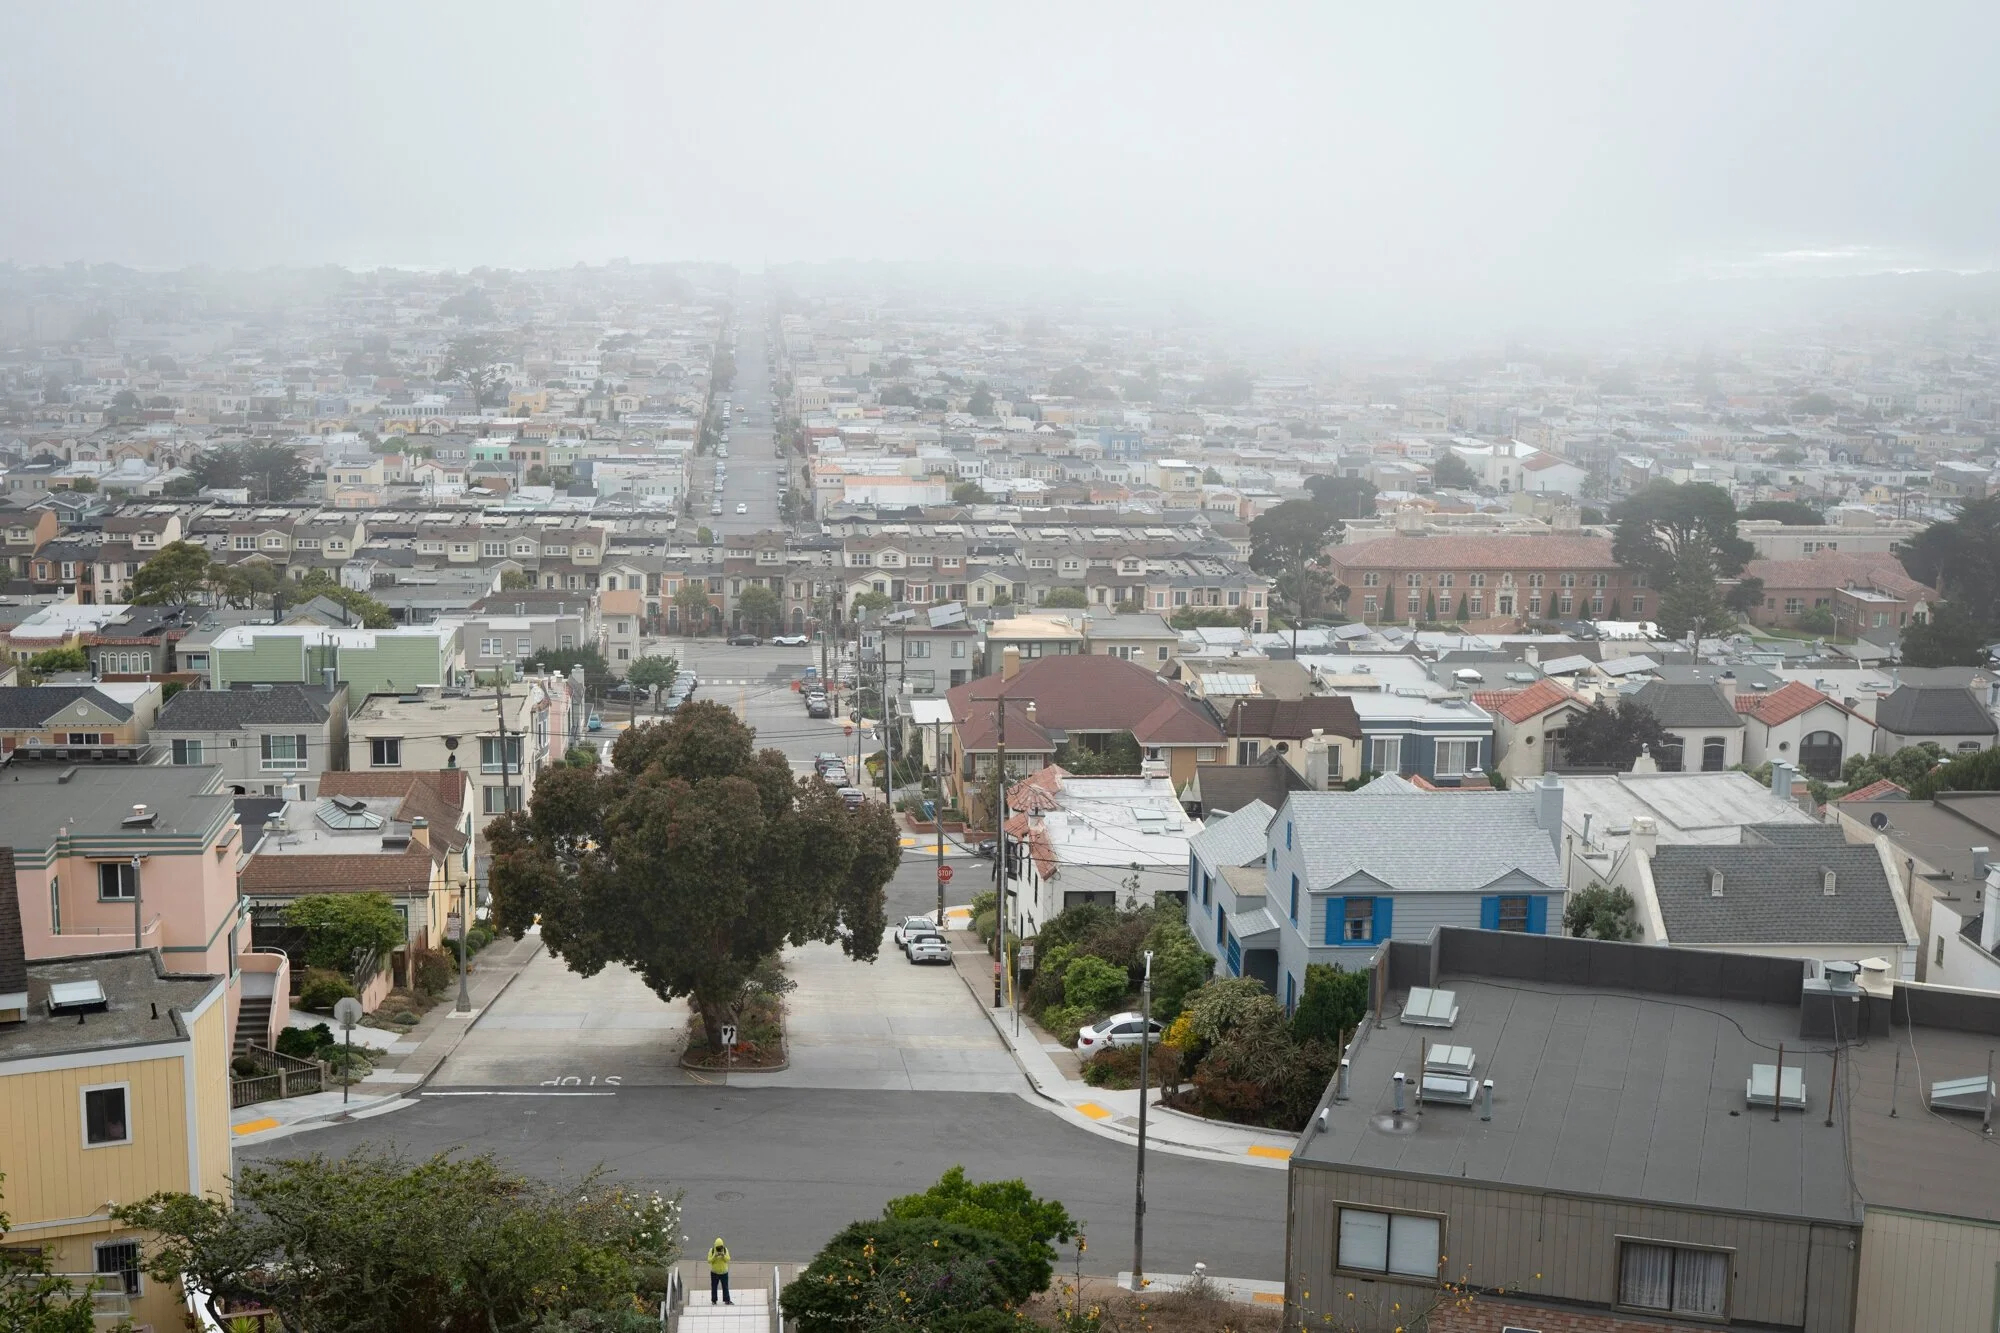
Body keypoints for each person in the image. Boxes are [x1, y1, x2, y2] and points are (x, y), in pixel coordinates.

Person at [707, 1237, 732, 1305]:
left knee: (725, 1287)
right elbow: (709, 1260)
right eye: (718, 1248)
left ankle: (727, 1300)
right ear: (715, 1246)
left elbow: (728, 1259)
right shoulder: (711, 1250)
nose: (719, 1249)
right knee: (714, 1287)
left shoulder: (725, 1250)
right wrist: (714, 1256)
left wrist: (723, 1255)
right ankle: (714, 1300)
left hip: (724, 1272)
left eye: (720, 1247)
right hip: (714, 1272)